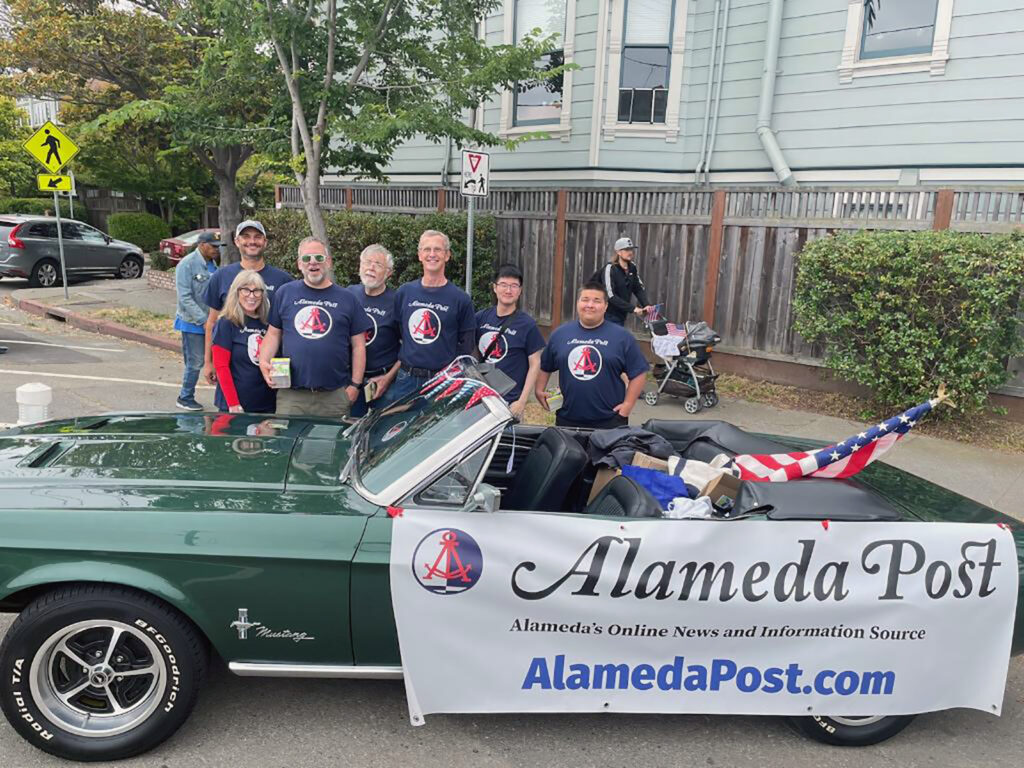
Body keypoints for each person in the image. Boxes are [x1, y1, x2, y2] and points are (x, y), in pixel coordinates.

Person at [258, 237, 371, 417]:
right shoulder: (284, 293)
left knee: (331, 444)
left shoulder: (347, 298)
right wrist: (264, 361)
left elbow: (358, 345)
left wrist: (355, 385)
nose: (313, 263)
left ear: (328, 262)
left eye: (319, 258)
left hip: (334, 396)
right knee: (288, 443)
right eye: (306, 259)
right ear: (299, 264)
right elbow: (273, 334)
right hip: (291, 396)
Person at [536, 281, 649, 429]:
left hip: (610, 420)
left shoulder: (622, 337)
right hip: (567, 418)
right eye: (585, 300)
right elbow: (545, 365)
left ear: (606, 306)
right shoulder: (560, 334)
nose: (590, 305)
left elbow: (639, 372)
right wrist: (539, 390)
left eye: (597, 301)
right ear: (578, 303)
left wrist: (627, 405)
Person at [385, 229, 476, 403]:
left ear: (447, 255)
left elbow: (467, 344)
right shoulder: (405, 293)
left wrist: (449, 372)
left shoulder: (460, 299)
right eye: (427, 249)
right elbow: (397, 332)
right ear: (419, 255)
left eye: (438, 250)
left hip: (442, 382)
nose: (432, 254)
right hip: (407, 380)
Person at [201, 220, 292, 386]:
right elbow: (211, 323)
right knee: (232, 409)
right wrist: (209, 362)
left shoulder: (283, 280)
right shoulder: (221, 276)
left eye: (258, 237)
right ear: (237, 242)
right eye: (246, 237)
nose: (252, 241)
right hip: (233, 371)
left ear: (265, 242)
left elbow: (287, 329)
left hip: (271, 371)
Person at [475, 264, 545, 420]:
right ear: (495, 288)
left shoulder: (527, 325)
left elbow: (535, 364)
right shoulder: (481, 317)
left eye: (514, 286)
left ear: (519, 291)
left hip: (510, 401)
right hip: (482, 397)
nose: (508, 290)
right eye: (504, 285)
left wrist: (522, 401)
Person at [347, 244, 401, 417]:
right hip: (350, 382)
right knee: (350, 432)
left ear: (388, 273)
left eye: (378, 264)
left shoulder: (396, 302)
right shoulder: (348, 295)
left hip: (384, 383)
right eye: (367, 262)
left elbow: (409, 346)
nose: (371, 267)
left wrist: (388, 378)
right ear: (360, 266)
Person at [211, 270, 275, 414]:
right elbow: (221, 367)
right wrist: (233, 404)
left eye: (257, 291)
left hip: (266, 404)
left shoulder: (269, 323)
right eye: (246, 290)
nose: (251, 296)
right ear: (236, 292)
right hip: (235, 406)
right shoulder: (226, 323)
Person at [174, 231, 220, 410]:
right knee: (195, 362)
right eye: (213, 246)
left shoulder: (212, 264)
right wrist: (204, 320)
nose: (216, 250)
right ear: (201, 244)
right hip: (193, 322)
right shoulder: (187, 265)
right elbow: (184, 297)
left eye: (218, 246)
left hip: (211, 321)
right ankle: (185, 397)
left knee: (217, 361)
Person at [592, 236, 654, 325]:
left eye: (631, 250)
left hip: (621, 314)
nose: (630, 252)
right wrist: (633, 309)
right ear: (618, 252)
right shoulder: (610, 269)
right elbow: (610, 295)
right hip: (606, 314)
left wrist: (646, 304)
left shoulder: (632, 267)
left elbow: (638, 288)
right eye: (627, 250)